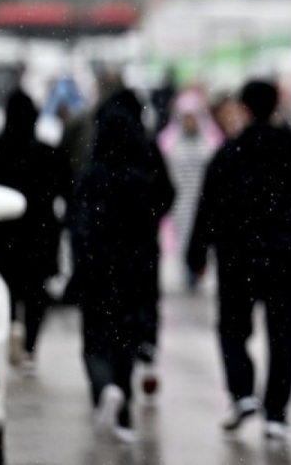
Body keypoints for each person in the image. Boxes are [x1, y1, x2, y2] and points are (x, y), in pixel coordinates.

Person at [187, 79, 291, 440]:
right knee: (285, 336)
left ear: (243, 107)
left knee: (232, 328)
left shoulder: (229, 152)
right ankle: (276, 413)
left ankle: (241, 392)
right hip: (288, 254)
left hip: (238, 255)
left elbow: (207, 206)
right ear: (275, 106)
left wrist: (196, 252)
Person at [67, 89, 173, 442]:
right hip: (133, 270)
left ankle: (103, 388)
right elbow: (161, 205)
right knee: (124, 337)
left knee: (95, 337)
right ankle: (124, 409)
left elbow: (76, 225)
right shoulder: (142, 179)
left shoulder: (89, 178)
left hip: (96, 268)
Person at [0, 88, 72, 372]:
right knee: (35, 293)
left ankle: (9, 332)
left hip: (3, 233)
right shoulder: (48, 154)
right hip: (39, 235)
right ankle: (30, 345)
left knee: (5, 288)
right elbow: (67, 191)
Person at [157, 88, 225, 290]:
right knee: (182, 237)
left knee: (202, 236)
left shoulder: (212, 141)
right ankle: (188, 270)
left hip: (203, 199)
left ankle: (197, 269)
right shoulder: (167, 142)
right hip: (180, 201)